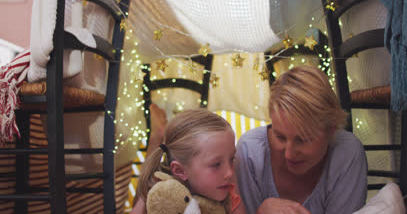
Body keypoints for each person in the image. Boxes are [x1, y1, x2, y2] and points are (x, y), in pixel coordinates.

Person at [235, 65, 368, 214]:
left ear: (331, 129)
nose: (289, 155)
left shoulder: (348, 153)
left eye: (303, 140)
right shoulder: (249, 152)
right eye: (279, 136)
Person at [131, 107, 246, 214]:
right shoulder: (162, 197)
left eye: (231, 159)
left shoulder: (228, 191)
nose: (229, 173)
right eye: (216, 164)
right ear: (180, 171)